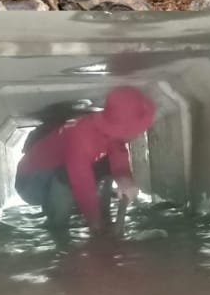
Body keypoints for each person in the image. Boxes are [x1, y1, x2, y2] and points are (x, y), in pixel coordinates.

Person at [15, 86, 157, 231]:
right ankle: (58, 231)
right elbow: (81, 181)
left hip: (60, 172)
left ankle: (103, 218)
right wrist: (95, 226)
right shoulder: (81, 137)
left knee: (101, 167)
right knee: (70, 177)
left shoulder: (112, 131)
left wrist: (124, 179)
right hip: (31, 183)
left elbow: (118, 159)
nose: (140, 133)